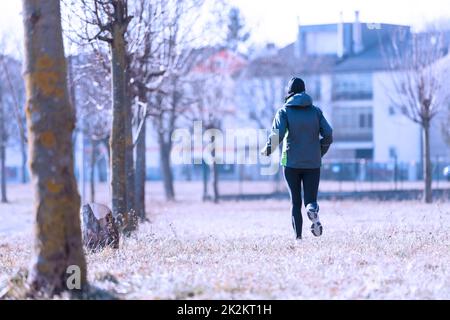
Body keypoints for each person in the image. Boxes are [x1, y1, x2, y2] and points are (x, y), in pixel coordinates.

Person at [261, 77, 333, 240]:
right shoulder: (316, 111)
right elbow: (328, 134)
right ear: (304, 91)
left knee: (295, 202)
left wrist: (267, 150)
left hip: (291, 163)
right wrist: (319, 151)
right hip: (313, 163)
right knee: (310, 200)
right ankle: (312, 210)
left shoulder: (284, 111)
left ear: (289, 92)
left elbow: (277, 134)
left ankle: (298, 238)